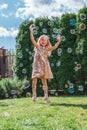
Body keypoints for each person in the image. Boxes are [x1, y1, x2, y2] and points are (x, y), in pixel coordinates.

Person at [29, 25, 61, 103]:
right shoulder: (37, 46)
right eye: (42, 40)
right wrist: (31, 32)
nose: (43, 41)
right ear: (39, 41)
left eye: (45, 40)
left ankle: (46, 97)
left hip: (43, 66)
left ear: (47, 42)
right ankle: (34, 95)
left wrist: (59, 41)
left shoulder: (47, 49)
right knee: (34, 81)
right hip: (36, 66)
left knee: (44, 81)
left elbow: (54, 47)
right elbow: (32, 40)